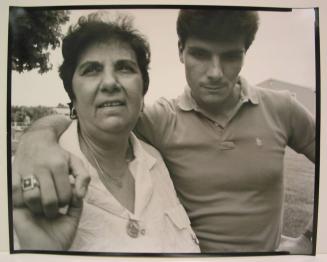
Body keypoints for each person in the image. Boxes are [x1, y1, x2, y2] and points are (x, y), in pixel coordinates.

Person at [12, 9, 315, 253]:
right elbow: (96, 116)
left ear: (246, 53)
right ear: (181, 51)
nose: (215, 72)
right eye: (200, 54)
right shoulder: (159, 120)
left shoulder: (282, 108)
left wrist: (311, 239)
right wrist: (36, 140)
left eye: (231, 56)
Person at [12, 12, 200, 253]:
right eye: (91, 70)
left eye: (125, 68)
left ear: (143, 90)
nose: (110, 82)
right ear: (73, 95)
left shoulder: (156, 162)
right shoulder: (31, 175)